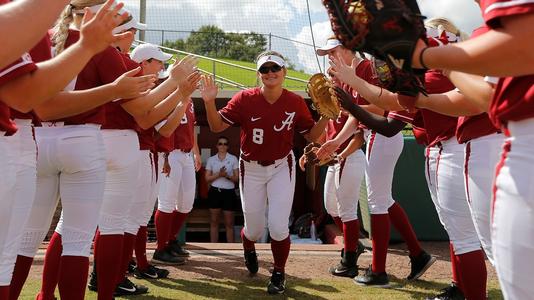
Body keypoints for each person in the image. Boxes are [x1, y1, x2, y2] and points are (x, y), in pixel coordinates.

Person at [327, 20, 489, 299]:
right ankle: (457, 284)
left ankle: (387, 270)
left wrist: (355, 94)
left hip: (458, 146)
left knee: (471, 237)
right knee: (458, 231)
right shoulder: (431, 71)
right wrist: (354, 85)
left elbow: (392, 116)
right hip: (444, 146)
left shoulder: (436, 72)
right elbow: (393, 101)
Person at [410, 3, 534, 298]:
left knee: (498, 254)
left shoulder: (489, 29)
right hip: (498, 140)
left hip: (500, 141)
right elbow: (481, 97)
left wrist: (430, 57)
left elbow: (479, 99)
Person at [200, 50, 328, 294]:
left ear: (284, 72)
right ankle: (249, 247)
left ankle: (279, 272)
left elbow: (313, 136)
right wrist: (208, 101)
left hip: (281, 165)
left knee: (279, 226)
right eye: (265, 69)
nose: (270, 73)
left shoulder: (294, 101)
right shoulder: (244, 99)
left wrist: (325, 116)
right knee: (255, 228)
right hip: (251, 167)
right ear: (258, 74)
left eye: (275, 68)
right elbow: (216, 126)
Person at [316, 37, 435, 287]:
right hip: (376, 136)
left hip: (381, 136)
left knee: (377, 203)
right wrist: (336, 141)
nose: (329, 56)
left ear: (348, 48)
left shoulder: (367, 69)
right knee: (384, 200)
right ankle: (418, 254)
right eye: (326, 52)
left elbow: (381, 109)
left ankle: (378, 270)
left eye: (333, 50)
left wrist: (350, 110)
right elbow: (357, 116)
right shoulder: (350, 74)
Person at [299, 67, 367, 279]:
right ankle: (353, 245)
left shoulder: (349, 101)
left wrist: (341, 155)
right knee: (331, 208)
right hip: (336, 161)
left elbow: (359, 137)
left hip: (350, 157)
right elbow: (325, 137)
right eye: (329, 75)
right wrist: (308, 152)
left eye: (333, 74)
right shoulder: (329, 105)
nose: (329, 79)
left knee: (346, 211)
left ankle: (349, 261)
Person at [205, 136, 240, 243]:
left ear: (228, 146)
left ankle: (231, 248)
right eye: (220, 143)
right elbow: (207, 178)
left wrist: (227, 176)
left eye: (225, 144)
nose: (222, 146)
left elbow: (237, 178)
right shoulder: (211, 159)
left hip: (229, 192)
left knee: (229, 223)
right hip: (215, 191)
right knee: (214, 221)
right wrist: (219, 174)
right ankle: (213, 246)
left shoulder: (233, 158)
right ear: (217, 146)